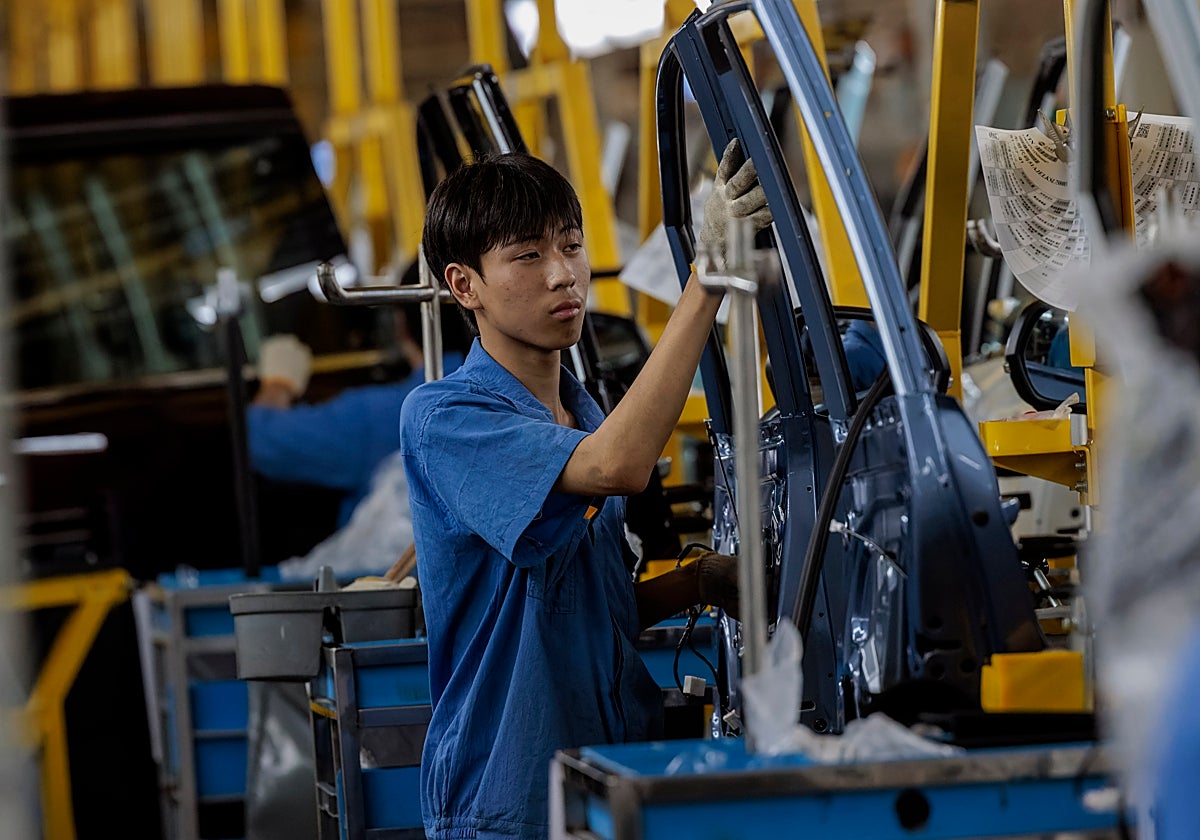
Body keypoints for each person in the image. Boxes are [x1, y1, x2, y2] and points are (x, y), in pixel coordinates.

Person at [401, 144, 769, 839]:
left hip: (608, 782)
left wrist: (697, 583)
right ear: (464, 285)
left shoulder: (585, 417)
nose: (564, 275)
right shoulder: (444, 419)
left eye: (570, 247)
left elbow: (591, 615)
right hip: (509, 799)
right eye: (528, 256)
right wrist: (708, 280)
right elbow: (619, 468)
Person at [248, 305, 468, 529]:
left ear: (400, 324)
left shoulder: (378, 415)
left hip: (389, 563)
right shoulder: (497, 393)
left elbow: (258, 440)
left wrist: (279, 384)